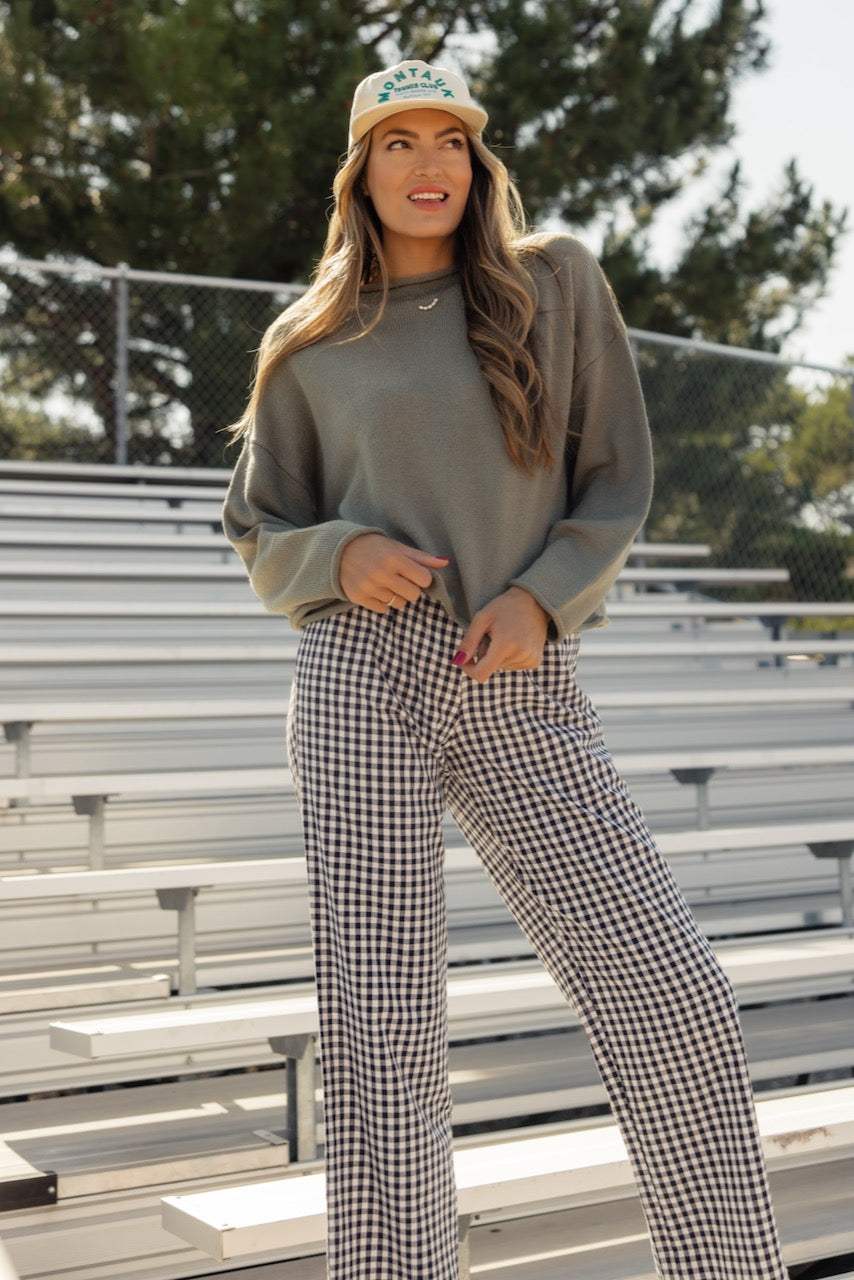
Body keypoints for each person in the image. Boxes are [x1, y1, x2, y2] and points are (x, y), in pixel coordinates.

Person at [223, 59, 788, 1280]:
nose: (426, 163)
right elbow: (260, 531)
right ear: (359, 171)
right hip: (358, 669)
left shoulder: (553, 282)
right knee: (382, 1038)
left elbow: (615, 481)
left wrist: (542, 598)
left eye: (448, 140)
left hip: (513, 663)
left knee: (673, 995)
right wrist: (342, 547)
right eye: (395, 141)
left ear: (476, 164)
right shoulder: (308, 340)